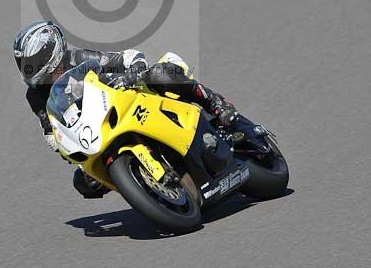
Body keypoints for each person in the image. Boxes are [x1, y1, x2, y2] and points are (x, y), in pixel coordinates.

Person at [13, 21, 239, 198]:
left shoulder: (77, 58)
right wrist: (67, 149)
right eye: (24, 65)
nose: (28, 69)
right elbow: (50, 130)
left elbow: (127, 57)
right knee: (83, 183)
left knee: (160, 75)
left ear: (49, 52)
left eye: (32, 61)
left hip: (131, 98)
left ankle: (215, 103)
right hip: (97, 129)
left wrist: (135, 72)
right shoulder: (36, 95)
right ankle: (143, 182)